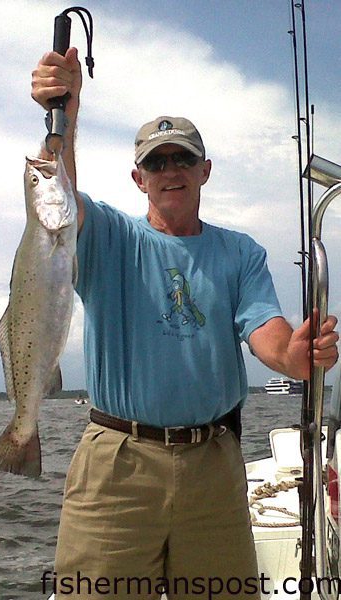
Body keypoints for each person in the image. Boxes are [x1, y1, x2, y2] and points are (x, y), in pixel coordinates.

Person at [31, 49, 339, 600]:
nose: (170, 170)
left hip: (214, 466)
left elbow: (264, 327)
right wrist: (64, 119)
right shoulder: (106, 236)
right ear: (138, 178)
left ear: (205, 170)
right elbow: (55, 202)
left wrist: (292, 357)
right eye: (156, 162)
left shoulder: (241, 252)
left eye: (182, 159)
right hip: (117, 466)